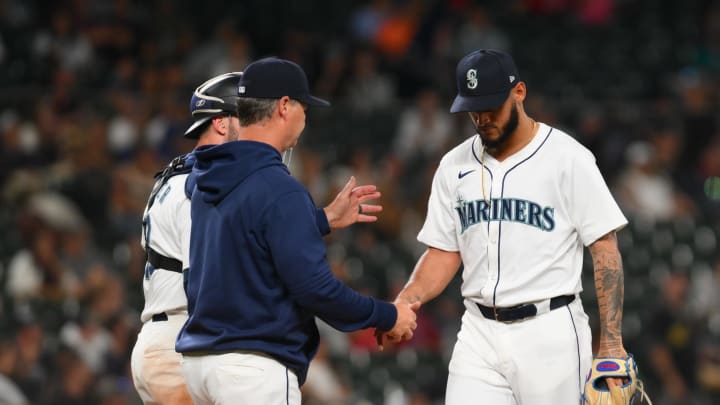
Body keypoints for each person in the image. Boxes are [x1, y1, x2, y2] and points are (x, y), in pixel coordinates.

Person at [377, 49, 630, 404]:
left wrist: (612, 343)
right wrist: (406, 300)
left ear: (520, 93)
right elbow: (444, 253)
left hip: (550, 331)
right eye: (473, 109)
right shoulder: (453, 165)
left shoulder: (567, 157)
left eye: (491, 106)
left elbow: (605, 249)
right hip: (478, 333)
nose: (482, 118)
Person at [131, 71, 387, 404]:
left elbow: (236, 235)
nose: (255, 123)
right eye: (246, 114)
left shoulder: (183, 177)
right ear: (223, 124)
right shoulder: (201, 186)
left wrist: (319, 220)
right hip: (181, 340)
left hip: (171, 340)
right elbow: (224, 259)